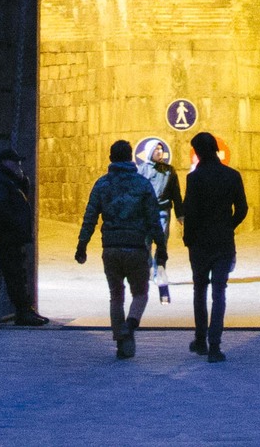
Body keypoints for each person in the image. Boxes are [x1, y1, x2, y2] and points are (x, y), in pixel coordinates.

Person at [75, 138, 167, 358]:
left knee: (116, 296)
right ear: (130, 158)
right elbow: (154, 219)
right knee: (140, 293)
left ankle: (121, 342)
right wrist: (161, 247)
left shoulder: (102, 184)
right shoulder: (143, 184)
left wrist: (82, 245)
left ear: (110, 158)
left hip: (111, 248)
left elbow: (90, 217)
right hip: (136, 247)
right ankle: (131, 324)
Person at [179, 131, 248, 361]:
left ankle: (200, 340)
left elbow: (190, 212)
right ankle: (215, 345)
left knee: (200, 291)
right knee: (219, 292)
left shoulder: (194, 179)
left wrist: (188, 239)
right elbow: (242, 209)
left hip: (200, 244)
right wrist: (229, 225)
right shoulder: (232, 176)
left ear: (198, 153)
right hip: (222, 242)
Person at [0, 147, 46, 325]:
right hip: (5, 235)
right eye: (16, 162)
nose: (19, 165)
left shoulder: (7, 179)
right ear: (5, 162)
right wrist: (13, 225)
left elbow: (21, 197)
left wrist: (22, 179)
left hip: (11, 235)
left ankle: (25, 310)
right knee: (14, 274)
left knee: (18, 273)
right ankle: (22, 312)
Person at [132, 136, 183, 302]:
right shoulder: (141, 170)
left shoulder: (169, 171)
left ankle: (158, 272)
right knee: (145, 243)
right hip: (145, 213)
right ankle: (146, 270)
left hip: (163, 211)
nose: (160, 152)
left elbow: (176, 194)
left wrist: (180, 214)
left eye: (161, 149)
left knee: (161, 244)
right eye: (156, 149)